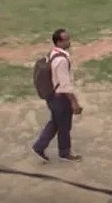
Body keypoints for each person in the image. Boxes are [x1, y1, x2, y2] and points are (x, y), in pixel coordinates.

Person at [33, 28, 83, 162]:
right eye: (66, 40)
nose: (69, 42)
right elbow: (65, 85)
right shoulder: (61, 61)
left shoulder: (53, 53)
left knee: (56, 122)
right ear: (59, 42)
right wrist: (74, 102)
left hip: (51, 96)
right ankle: (64, 153)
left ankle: (39, 146)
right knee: (64, 125)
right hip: (60, 97)